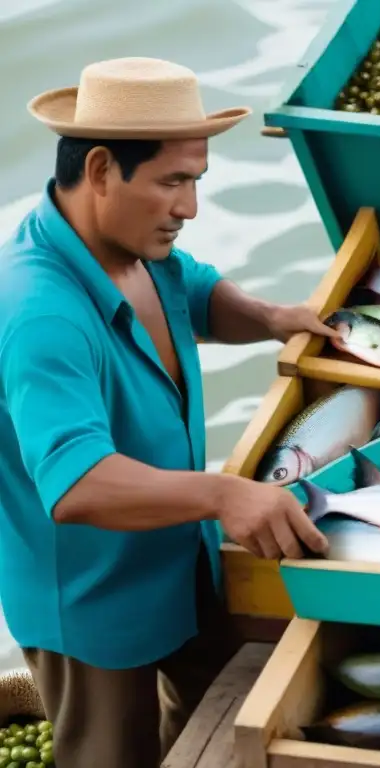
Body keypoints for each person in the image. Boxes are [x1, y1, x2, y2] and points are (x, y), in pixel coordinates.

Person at [0, 57, 333, 768]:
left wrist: (278, 317)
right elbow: (78, 484)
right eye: (172, 182)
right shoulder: (40, 313)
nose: (190, 208)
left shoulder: (137, 247)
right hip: (94, 606)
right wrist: (222, 494)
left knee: (220, 719)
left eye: (196, 181)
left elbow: (200, 294)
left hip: (179, 563)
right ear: (99, 170)